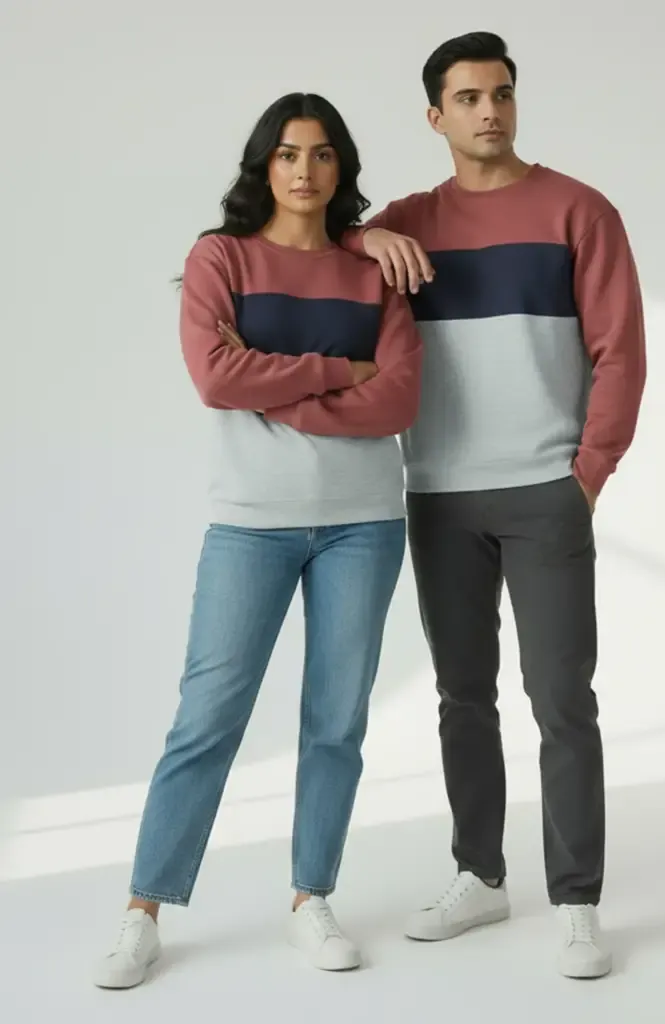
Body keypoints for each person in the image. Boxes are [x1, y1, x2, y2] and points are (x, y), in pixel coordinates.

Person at [93, 92, 422, 988]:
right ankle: (143, 910)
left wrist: (272, 383)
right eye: (286, 154)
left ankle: (311, 897)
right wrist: (333, 371)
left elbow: (397, 399)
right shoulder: (221, 257)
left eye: (320, 155)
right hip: (250, 522)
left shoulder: (375, 272)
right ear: (262, 165)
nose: (304, 172)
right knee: (207, 716)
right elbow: (213, 375)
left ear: (341, 168)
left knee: (337, 721)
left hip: (365, 520)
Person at [342, 32, 646, 978]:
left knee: (562, 699)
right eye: (468, 98)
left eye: (502, 94)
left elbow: (621, 353)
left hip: (547, 490)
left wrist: (586, 474)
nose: (489, 111)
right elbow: (312, 245)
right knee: (460, 697)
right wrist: (363, 237)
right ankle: (481, 873)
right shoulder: (407, 220)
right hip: (438, 494)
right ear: (435, 116)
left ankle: (578, 901)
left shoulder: (577, 210)